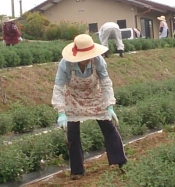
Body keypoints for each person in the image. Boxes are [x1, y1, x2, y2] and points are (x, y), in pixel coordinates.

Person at [51, 34, 127, 180]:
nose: (86, 58)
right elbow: (59, 87)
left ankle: (119, 161)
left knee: (109, 127)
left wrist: (109, 105)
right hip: (73, 98)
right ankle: (77, 171)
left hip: (94, 95)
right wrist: (61, 112)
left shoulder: (97, 60)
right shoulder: (65, 63)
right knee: (72, 133)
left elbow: (105, 82)